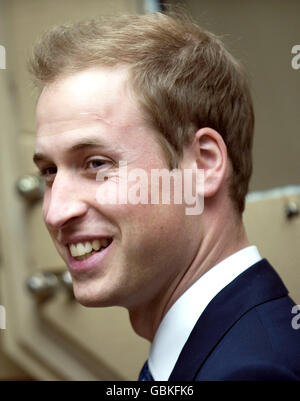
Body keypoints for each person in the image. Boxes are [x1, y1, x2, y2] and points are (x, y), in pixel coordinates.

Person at [30, 12, 300, 381]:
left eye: (96, 163)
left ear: (202, 165)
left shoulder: (252, 373)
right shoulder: (208, 351)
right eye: (49, 172)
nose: (55, 212)